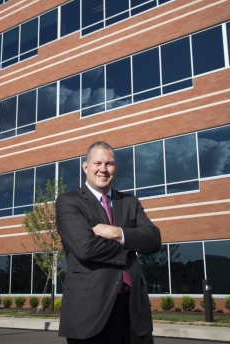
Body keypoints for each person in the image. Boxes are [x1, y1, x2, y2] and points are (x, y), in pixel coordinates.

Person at [56, 141, 161, 344]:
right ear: (86, 167)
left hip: (133, 310)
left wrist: (117, 233)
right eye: (97, 163)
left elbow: (154, 239)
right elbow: (86, 248)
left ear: (116, 168)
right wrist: (131, 244)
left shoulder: (130, 202)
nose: (103, 169)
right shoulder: (69, 202)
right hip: (90, 311)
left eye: (109, 164)